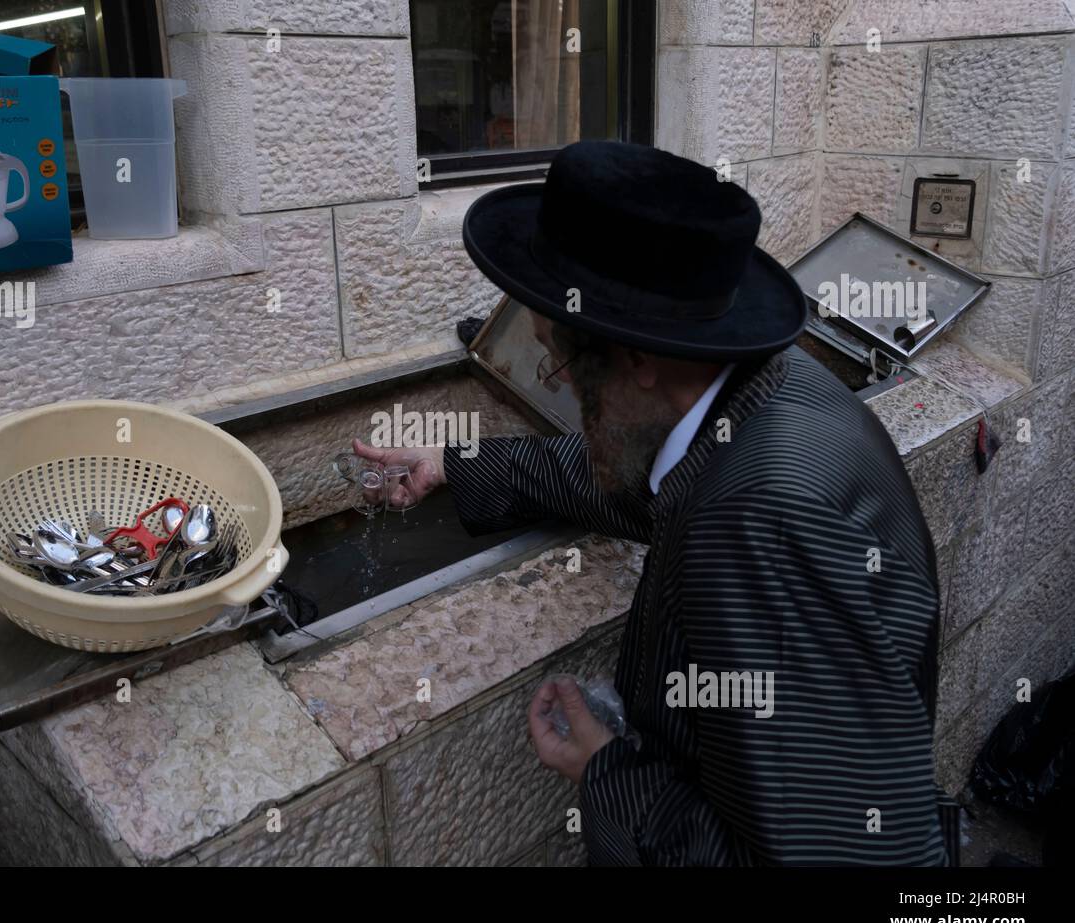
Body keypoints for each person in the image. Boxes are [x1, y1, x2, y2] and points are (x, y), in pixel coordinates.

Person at [352, 142, 950, 865]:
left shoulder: (757, 521)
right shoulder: (766, 390)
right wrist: (458, 461)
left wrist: (606, 771)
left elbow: (839, 858)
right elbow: (646, 476)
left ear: (636, 358)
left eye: (561, 361)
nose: (562, 387)